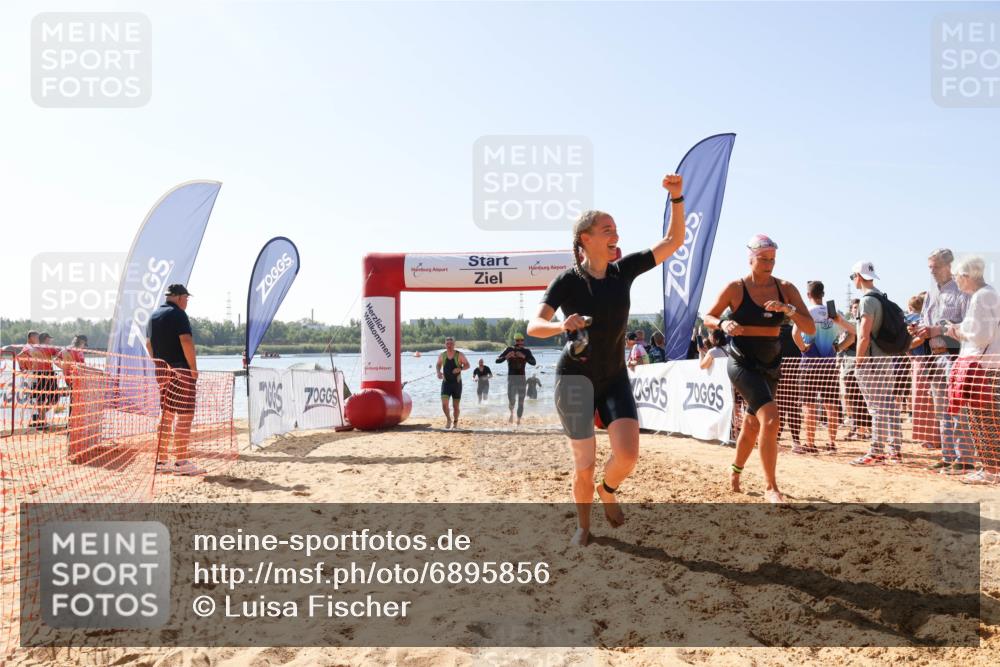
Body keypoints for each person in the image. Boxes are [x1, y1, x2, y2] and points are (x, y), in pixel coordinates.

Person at [527, 173, 686, 546]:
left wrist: (677, 198)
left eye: (615, 229)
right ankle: (583, 526)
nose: (615, 234)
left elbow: (673, 241)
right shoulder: (567, 281)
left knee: (627, 455)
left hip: (614, 376)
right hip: (574, 380)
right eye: (607, 229)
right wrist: (561, 325)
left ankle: (607, 489)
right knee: (583, 463)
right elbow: (534, 326)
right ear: (586, 238)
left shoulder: (622, 271)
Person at [703, 234, 815, 504]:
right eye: (763, 259)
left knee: (752, 424)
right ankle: (770, 487)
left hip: (771, 362)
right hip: (741, 361)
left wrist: (788, 310)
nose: (769, 264)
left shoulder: (785, 288)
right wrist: (723, 324)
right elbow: (708, 316)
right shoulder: (736, 288)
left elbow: (810, 327)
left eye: (772, 259)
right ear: (750, 259)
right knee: (772, 419)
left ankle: (735, 470)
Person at [909, 248, 973, 474]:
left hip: (954, 354)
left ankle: (965, 459)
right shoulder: (931, 293)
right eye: (930, 267)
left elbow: (968, 325)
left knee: (958, 409)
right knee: (942, 410)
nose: (932, 271)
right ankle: (948, 456)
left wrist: (938, 329)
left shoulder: (962, 290)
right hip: (933, 356)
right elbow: (925, 320)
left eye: (935, 267)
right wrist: (918, 329)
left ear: (948, 265)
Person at [946, 256, 1000, 484]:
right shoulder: (987, 294)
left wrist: (957, 333)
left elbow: (981, 336)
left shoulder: (982, 296)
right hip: (987, 366)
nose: (955, 280)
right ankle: (991, 468)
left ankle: (991, 470)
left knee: (984, 421)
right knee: (984, 420)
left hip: (983, 367)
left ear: (967, 276)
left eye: (957, 276)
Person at [850, 262, 906, 466]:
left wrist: (858, 362)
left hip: (871, 361)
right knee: (889, 405)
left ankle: (876, 451)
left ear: (858, 276)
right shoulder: (882, 297)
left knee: (877, 408)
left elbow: (864, 335)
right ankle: (895, 450)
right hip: (886, 359)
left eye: (852, 276)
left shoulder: (866, 301)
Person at [147, 284, 204, 476]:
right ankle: (181, 462)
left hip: (162, 370)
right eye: (186, 298)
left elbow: (149, 344)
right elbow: (186, 340)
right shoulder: (179, 314)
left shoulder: (153, 316)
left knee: (167, 414)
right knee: (185, 415)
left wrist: (158, 365)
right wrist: (193, 369)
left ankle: (162, 461)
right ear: (180, 297)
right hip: (181, 370)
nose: (187, 302)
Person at [795, 281, 852, 454]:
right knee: (831, 405)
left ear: (808, 295)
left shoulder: (806, 312)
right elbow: (852, 334)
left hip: (809, 365)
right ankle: (832, 443)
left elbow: (794, 334)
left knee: (809, 405)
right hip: (829, 365)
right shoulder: (833, 313)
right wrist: (839, 347)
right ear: (823, 294)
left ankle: (810, 443)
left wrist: (803, 348)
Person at [839, 298, 870, 441]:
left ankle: (861, 430)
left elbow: (850, 340)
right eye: (854, 307)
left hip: (855, 365)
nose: (856, 309)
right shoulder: (855, 323)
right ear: (851, 310)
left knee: (858, 398)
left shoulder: (858, 324)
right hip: (849, 364)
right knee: (853, 398)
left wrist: (836, 348)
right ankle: (858, 428)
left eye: (858, 307)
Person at [496, 333, 536, 426]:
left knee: (521, 402)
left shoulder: (526, 351)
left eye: (521, 340)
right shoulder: (509, 349)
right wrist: (506, 356)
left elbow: (534, 362)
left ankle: (518, 421)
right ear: (515, 341)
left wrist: (524, 357)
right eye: (518, 340)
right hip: (511, 379)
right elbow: (497, 360)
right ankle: (511, 413)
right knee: (512, 401)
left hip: (522, 379)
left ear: (523, 341)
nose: (520, 342)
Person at [436, 337, 470, 428]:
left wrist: (460, 368)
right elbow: (438, 364)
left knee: (455, 406)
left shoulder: (459, 355)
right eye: (447, 344)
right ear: (445, 345)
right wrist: (438, 372)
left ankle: (455, 421)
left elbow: (468, 365)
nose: (449, 345)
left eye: (451, 344)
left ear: (454, 344)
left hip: (457, 384)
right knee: (444, 404)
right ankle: (448, 419)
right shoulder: (442, 355)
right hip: (446, 383)